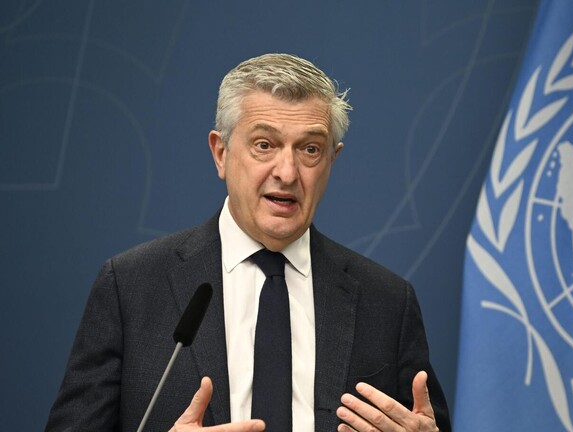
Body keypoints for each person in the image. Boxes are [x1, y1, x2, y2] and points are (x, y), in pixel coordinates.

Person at [46, 53, 451, 432]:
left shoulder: (387, 302)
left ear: (332, 161)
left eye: (310, 149)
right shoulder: (131, 286)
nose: (287, 172)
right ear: (220, 153)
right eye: (264, 145)